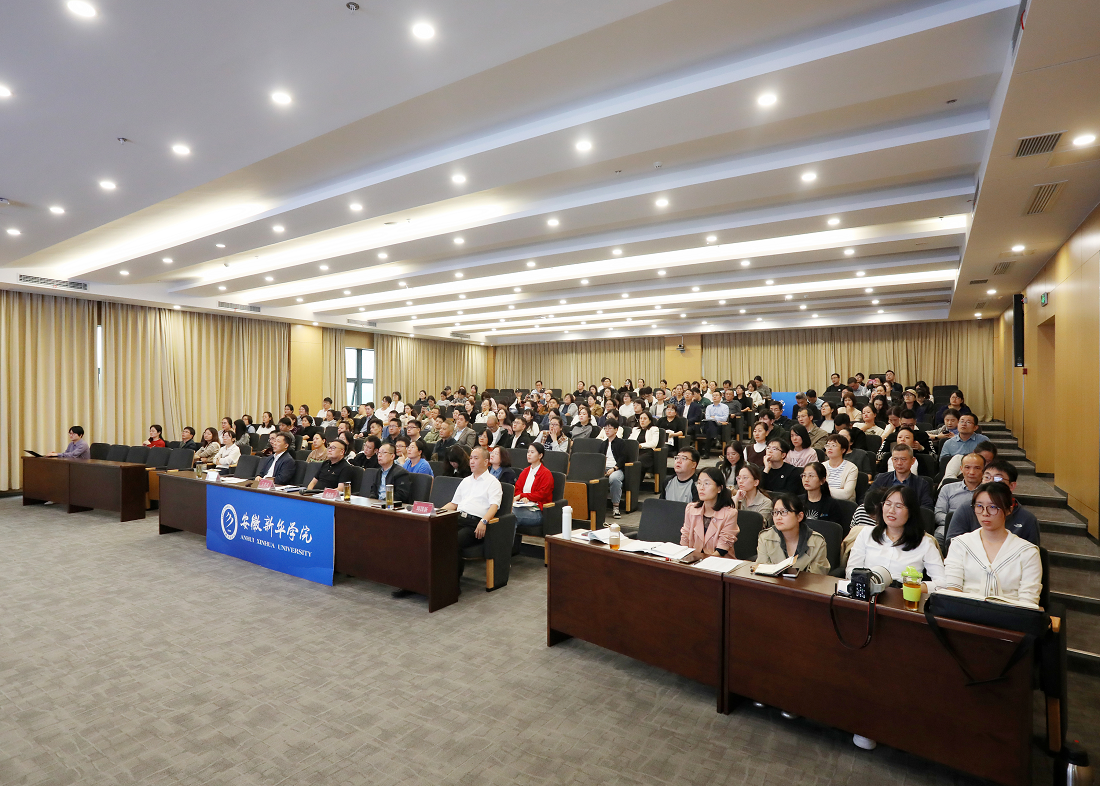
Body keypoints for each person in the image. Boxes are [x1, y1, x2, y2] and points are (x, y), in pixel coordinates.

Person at [942, 482, 1042, 606]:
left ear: (1009, 510)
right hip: (964, 612)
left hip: (1011, 614)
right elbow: (952, 591)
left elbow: (1028, 601)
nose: (985, 513)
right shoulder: (960, 544)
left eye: (993, 507)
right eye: (979, 506)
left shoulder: (1027, 552)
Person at [847, 485, 945, 591]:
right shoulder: (866, 533)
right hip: (869, 592)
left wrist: (913, 588)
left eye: (899, 506)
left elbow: (942, 582)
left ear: (911, 511)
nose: (891, 510)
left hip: (903, 595)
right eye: (888, 504)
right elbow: (851, 571)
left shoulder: (925, 543)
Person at [440, 447, 502, 587]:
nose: (472, 461)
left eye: (476, 458)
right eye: (471, 458)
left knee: (452, 541)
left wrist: (484, 521)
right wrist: (436, 512)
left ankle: (452, 584)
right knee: (432, 534)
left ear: (486, 462)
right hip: (457, 518)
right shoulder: (466, 481)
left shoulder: (493, 482)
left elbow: (494, 506)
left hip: (474, 523)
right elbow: (454, 504)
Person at [945, 460, 1039, 547]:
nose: (991, 482)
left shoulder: (1027, 518)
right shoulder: (966, 509)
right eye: (987, 477)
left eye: (998, 478)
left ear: (1011, 485)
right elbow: (952, 544)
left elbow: (1030, 551)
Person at [756, 494, 830, 574]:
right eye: (775, 512)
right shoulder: (765, 537)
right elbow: (762, 571)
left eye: (784, 512)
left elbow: (817, 577)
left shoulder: (817, 542)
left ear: (799, 516)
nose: (778, 517)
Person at [679, 467, 739, 556]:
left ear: (719, 488)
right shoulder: (691, 509)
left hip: (719, 561)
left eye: (706, 483)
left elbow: (722, 549)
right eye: (699, 483)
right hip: (693, 560)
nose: (701, 488)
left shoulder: (730, 514)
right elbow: (685, 538)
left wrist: (701, 561)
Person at [934, 452, 985, 543]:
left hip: (979, 530)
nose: (972, 472)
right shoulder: (947, 488)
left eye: (977, 468)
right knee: (936, 541)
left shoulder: (989, 492)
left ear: (983, 470)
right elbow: (938, 514)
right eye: (967, 467)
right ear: (961, 469)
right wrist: (957, 522)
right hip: (947, 529)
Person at [872, 443, 934, 508]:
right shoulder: (881, 478)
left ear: (913, 461)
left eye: (903, 459)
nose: (899, 463)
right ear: (892, 460)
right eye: (895, 459)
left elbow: (927, 508)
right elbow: (869, 500)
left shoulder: (922, 484)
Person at [511, 442, 554, 530]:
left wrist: (523, 496)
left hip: (537, 511)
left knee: (511, 515)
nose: (529, 454)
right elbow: (517, 488)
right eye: (528, 452)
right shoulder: (525, 471)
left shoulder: (546, 474)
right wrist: (522, 498)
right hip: (522, 506)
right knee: (507, 512)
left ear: (540, 455)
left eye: (532, 452)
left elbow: (541, 494)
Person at [597, 421, 629, 518]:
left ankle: (616, 507)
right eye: (605, 428)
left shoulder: (621, 443)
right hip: (604, 468)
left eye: (610, 428)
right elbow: (599, 458)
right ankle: (595, 507)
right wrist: (601, 469)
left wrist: (614, 468)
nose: (607, 430)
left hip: (617, 469)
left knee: (614, 479)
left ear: (616, 430)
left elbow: (623, 458)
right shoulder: (603, 444)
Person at [821, 434, 858, 501]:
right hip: (824, 502)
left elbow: (846, 494)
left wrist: (824, 490)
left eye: (834, 445)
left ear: (843, 450)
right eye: (828, 445)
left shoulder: (851, 468)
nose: (829, 448)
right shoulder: (822, 466)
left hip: (844, 504)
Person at [629, 411, 661, 476]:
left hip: (647, 451)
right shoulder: (635, 429)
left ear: (650, 421)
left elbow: (654, 443)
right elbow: (630, 441)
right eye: (641, 418)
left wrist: (641, 445)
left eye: (645, 419)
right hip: (635, 451)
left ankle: (637, 478)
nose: (642, 420)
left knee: (637, 461)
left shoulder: (654, 429)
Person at [700, 392, 729, 459]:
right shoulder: (709, 407)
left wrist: (714, 417)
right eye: (713, 396)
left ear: (720, 397)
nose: (714, 397)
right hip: (708, 425)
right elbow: (707, 417)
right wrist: (717, 419)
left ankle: (706, 453)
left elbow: (724, 418)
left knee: (709, 431)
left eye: (716, 395)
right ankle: (716, 438)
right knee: (710, 423)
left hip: (720, 426)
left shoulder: (725, 407)